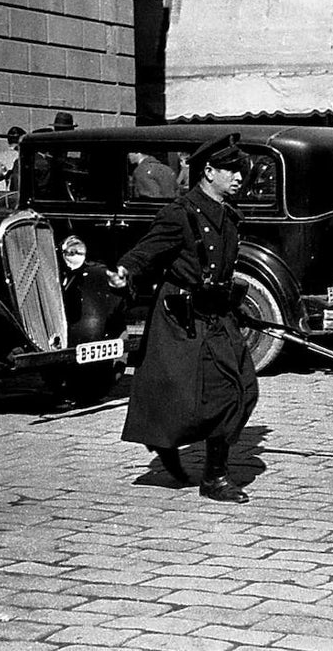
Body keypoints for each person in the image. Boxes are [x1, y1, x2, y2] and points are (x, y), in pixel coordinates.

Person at [107, 133, 259, 503]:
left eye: (241, 171)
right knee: (203, 393)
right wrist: (126, 269)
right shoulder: (181, 213)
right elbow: (149, 248)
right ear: (209, 171)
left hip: (217, 312)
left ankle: (172, 447)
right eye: (231, 171)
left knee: (245, 387)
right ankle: (214, 478)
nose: (239, 178)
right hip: (183, 315)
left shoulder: (228, 213)